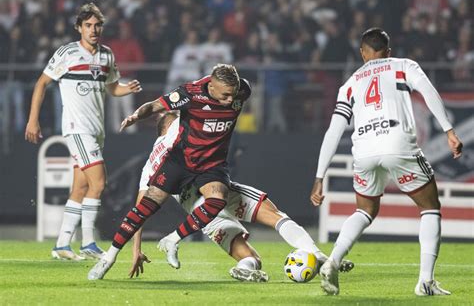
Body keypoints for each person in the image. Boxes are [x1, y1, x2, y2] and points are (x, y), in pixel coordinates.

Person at [310, 28, 463, 296]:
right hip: (397, 143)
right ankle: (425, 282)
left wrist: (319, 176)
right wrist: (449, 130)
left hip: (365, 150)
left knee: (365, 210)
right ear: (388, 51)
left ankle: (333, 260)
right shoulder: (403, 66)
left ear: (362, 53)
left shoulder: (350, 84)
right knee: (430, 208)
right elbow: (428, 91)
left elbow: (333, 130)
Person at [127, 112, 354, 282]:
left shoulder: (151, 165)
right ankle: (319, 256)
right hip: (222, 194)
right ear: (169, 127)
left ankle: (246, 268)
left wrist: (135, 250)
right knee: (275, 216)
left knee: (251, 258)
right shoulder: (179, 136)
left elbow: (140, 211)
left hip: (201, 213)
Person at [88, 64, 251, 280]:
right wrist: (136, 116)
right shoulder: (190, 93)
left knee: (217, 201)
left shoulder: (243, 90)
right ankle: (108, 258)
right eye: (225, 95)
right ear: (211, 86)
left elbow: (236, 94)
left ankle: (172, 240)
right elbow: (156, 105)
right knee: (146, 206)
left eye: (233, 94)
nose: (231, 100)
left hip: (212, 164)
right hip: (181, 160)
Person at [25, 3, 142, 261]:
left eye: (98, 25)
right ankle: (89, 242)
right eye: (88, 25)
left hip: (96, 131)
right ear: (79, 27)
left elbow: (112, 88)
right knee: (99, 183)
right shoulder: (67, 53)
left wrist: (128, 88)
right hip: (77, 129)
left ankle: (62, 245)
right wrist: (33, 120)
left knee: (80, 188)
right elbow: (41, 83)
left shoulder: (107, 55)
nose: (93, 29)